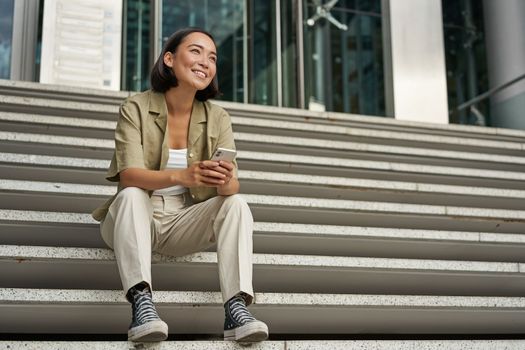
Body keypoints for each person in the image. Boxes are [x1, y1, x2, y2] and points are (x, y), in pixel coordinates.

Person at [91, 27, 268, 343]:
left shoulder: (218, 117)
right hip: (134, 215)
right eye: (196, 51)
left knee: (237, 204)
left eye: (212, 57)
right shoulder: (136, 107)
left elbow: (232, 189)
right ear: (169, 59)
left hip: (182, 221)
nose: (206, 62)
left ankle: (236, 308)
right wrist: (182, 176)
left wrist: (225, 180)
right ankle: (142, 303)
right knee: (132, 194)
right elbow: (128, 174)